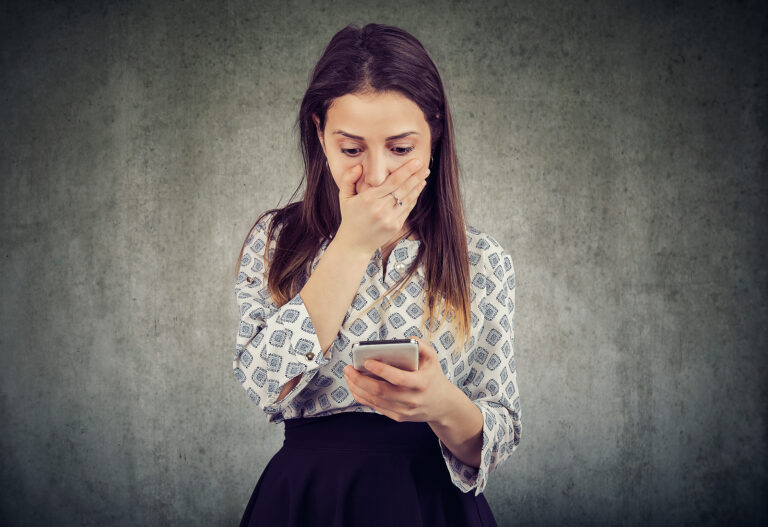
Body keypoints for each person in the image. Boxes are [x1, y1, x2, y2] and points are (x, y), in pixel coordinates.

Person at [232, 22, 521, 527]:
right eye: (351, 149)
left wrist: (441, 403)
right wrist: (352, 243)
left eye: (401, 148)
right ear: (320, 132)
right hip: (309, 497)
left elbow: (495, 441)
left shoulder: (482, 258)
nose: (378, 174)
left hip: (432, 502)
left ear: (434, 131)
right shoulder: (278, 240)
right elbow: (262, 384)